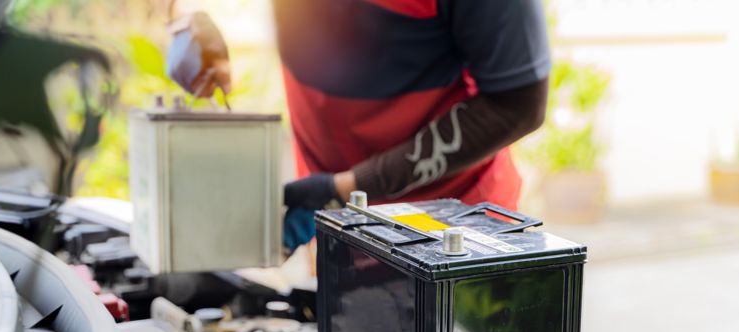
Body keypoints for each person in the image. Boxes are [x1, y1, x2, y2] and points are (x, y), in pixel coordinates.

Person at [167, 0, 550, 251]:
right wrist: (189, 16)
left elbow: (517, 105)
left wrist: (347, 188)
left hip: (449, 233)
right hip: (336, 220)